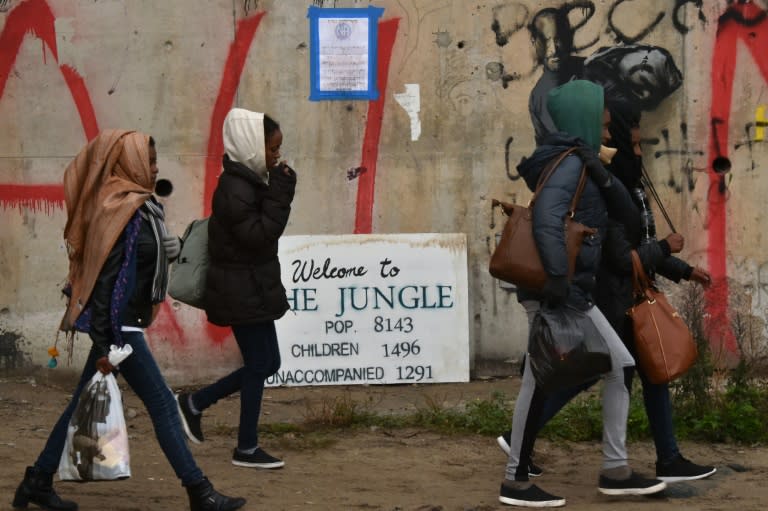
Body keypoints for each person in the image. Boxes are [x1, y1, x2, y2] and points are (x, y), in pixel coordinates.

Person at [12, 130, 245, 511]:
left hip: (122, 325)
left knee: (79, 405)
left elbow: (137, 262)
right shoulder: (120, 208)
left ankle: (37, 480)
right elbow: (107, 283)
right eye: (149, 162)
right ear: (129, 163)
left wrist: (167, 251)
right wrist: (108, 343)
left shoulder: (140, 205)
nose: (154, 170)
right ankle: (199, 492)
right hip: (122, 329)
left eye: (154, 162)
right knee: (165, 406)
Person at [497, 101, 717, 484]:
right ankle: (518, 471)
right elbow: (556, 223)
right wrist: (557, 280)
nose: (609, 135)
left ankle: (616, 469)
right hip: (583, 292)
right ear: (584, 122)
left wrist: (602, 174)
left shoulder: (589, 168)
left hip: (578, 291)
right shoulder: (571, 165)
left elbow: (626, 224)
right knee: (552, 377)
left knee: (615, 367)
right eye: (603, 126)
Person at [176, 108, 295, 470]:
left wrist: (275, 188)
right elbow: (259, 236)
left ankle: (195, 404)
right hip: (240, 290)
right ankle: (245, 448)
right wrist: (282, 191)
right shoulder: (235, 188)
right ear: (251, 145)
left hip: (250, 287)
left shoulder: (250, 181)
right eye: (271, 148)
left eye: (277, 149)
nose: (276, 155)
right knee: (261, 363)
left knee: (268, 362)